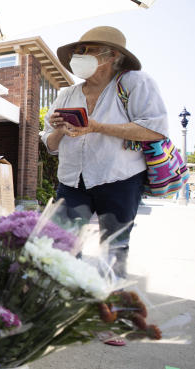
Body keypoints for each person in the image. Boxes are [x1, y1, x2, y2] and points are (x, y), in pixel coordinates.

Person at [42, 26, 169, 279]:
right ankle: (68, 302)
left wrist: (98, 127)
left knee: (114, 249)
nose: (80, 55)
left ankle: (107, 307)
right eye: (79, 50)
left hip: (119, 179)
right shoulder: (66, 94)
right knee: (63, 246)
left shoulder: (135, 83)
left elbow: (155, 130)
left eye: (88, 50)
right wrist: (59, 131)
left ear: (112, 56)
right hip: (71, 181)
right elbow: (50, 145)